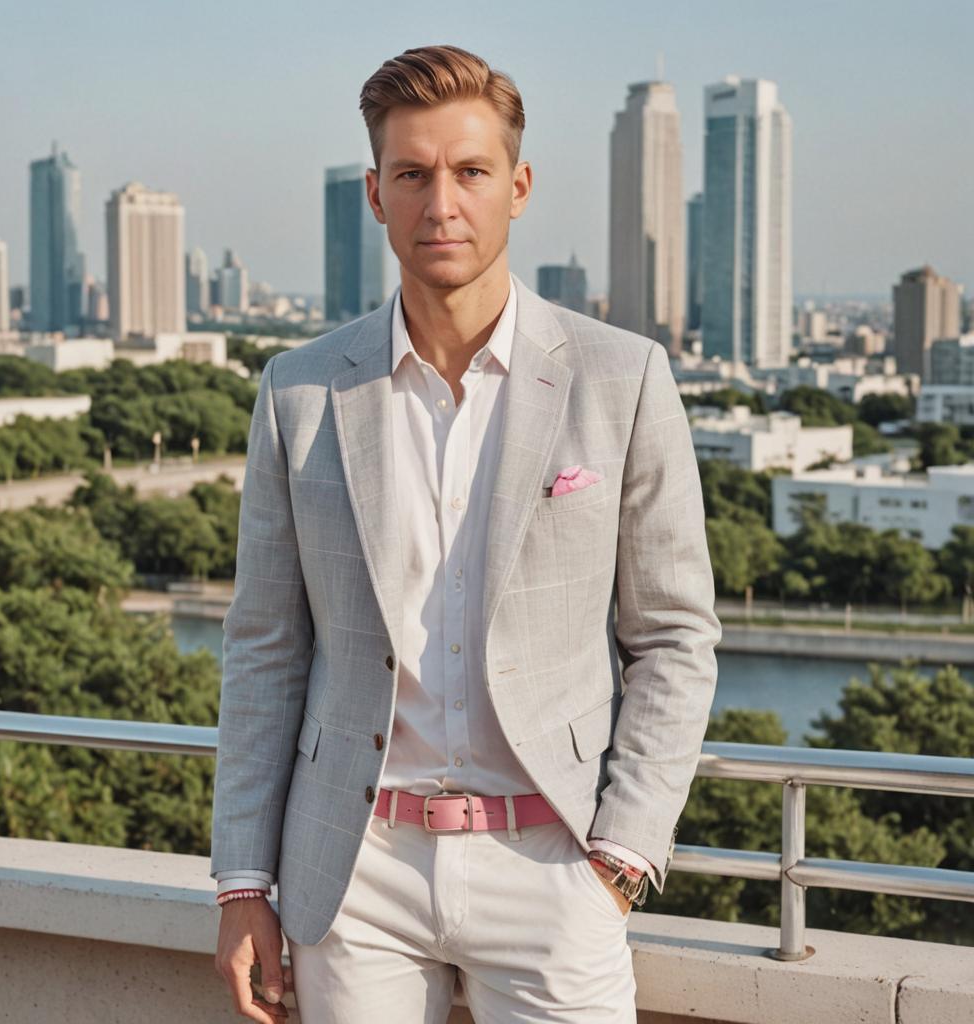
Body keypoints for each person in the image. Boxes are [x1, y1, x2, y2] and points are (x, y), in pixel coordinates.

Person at [211, 43, 721, 1024]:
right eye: (411, 174)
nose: (440, 202)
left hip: (552, 866)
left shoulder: (622, 378)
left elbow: (673, 635)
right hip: (353, 877)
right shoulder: (301, 391)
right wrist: (243, 881)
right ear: (375, 193)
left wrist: (615, 861)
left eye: (470, 172)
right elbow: (265, 645)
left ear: (517, 186)